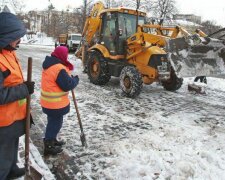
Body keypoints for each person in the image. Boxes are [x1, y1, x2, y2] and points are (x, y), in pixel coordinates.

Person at [0, 12, 35, 180]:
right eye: (16, 37)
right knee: (2, 158)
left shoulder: (8, 52)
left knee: (12, 147)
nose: (19, 41)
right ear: (6, 37)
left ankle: (12, 169)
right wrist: (24, 89)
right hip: (2, 121)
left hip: (13, 116)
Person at [40, 46, 79, 156]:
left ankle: (52, 139)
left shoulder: (49, 64)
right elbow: (67, 85)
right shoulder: (58, 68)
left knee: (52, 122)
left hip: (48, 102)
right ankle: (48, 145)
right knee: (55, 123)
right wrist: (75, 79)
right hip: (55, 104)